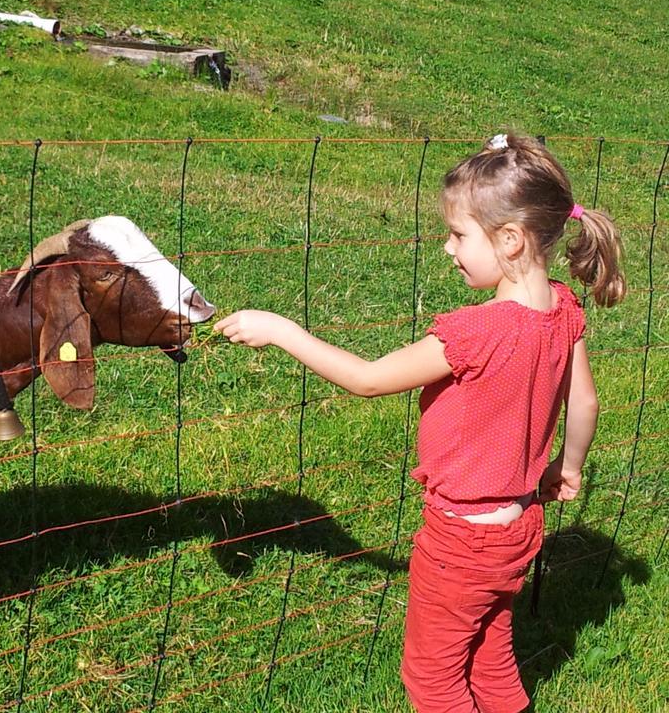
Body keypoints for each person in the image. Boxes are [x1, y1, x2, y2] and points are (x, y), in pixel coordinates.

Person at [214, 133, 625, 713]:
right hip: (520, 524)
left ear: (510, 240)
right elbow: (585, 404)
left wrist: (281, 329)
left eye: (459, 235)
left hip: (461, 538)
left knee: (433, 680)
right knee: (491, 658)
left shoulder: (475, 332)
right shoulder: (562, 309)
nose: (447, 249)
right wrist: (568, 468)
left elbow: (368, 379)